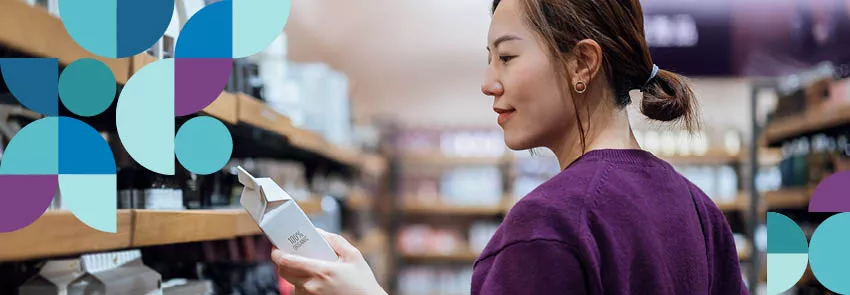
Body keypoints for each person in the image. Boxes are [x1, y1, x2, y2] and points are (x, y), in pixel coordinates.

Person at [271, 0, 747, 294]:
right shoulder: (698, 209)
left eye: (507, 56)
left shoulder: (550, 223)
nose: (488, 83)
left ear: (583, 63)